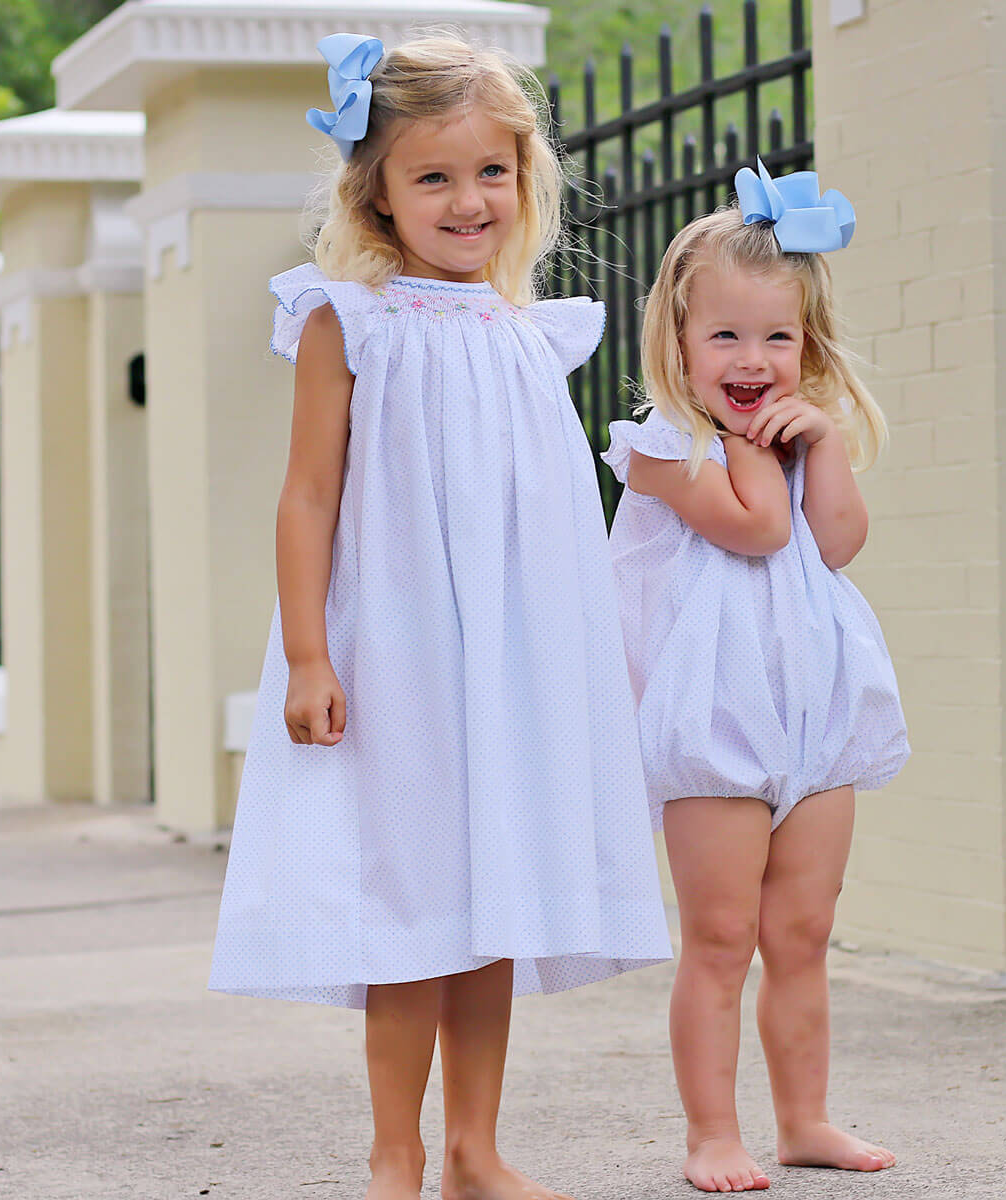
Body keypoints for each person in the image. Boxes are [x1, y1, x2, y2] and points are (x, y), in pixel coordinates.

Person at [209, 32, 671, 1200]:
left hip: (514, 664)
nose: (470, 201)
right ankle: (395, 1153)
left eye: (493, 173)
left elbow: (550, 525)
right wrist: (309, 653)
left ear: (526, 178)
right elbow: (310, 493)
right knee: (410, 905)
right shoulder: (346, 321)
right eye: (434, 177)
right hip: (398, 655)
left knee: (496, 901)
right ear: (376, 191)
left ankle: (475, 1149)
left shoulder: (532, 335)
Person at [603, 161, 909, 1193]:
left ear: (808, 346)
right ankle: (710, 1134)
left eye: (777, 338)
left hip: (818, 722)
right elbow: (757, 529)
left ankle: (807, 1117)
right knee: (724, 935)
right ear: (679, 344)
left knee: (804, 931)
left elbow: (834, 540)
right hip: (714, 729)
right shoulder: (663, 448)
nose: (752, 359)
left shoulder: (797, 441)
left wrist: (821, 441)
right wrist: (752, 447)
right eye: (725, 336)